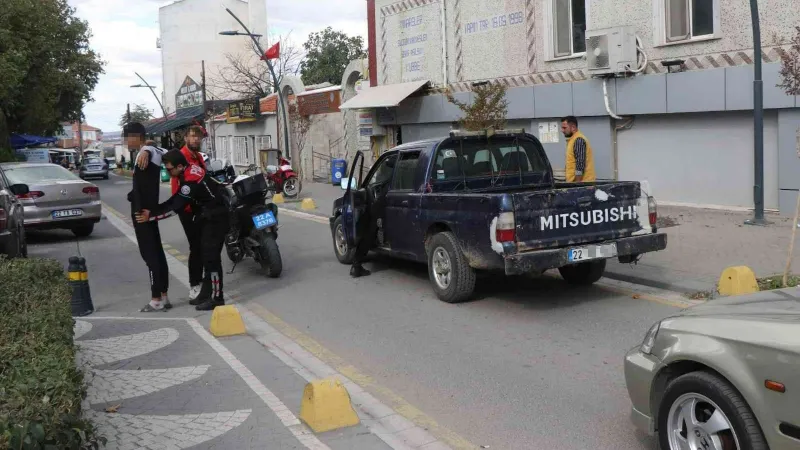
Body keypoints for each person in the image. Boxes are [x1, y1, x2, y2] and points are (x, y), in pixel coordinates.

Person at [134, 149, 230, 311]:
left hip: (216, 218)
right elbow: (177, 199)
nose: (168, 172)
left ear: (179, 166)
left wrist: (151, 215)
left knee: (212, 259)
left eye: (170, 169)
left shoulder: (190, 180)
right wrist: (146, 149)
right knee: (205, 256)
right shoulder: (187, 170)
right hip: (210, 215)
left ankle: (217, 298)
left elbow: (176, 206)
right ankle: (207, 293)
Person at [137, 125, 206, 301]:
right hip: (186, 208)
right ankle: (195, 284)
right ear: (186, 138)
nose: (196, 139)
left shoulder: (198, 157)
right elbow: (155, 147)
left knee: (205, 247)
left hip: (198, 207)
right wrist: (145, 149)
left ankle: (205, 282)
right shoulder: (180, 156)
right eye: (192, 136)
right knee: (197, 247)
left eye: (198, 137)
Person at [124, 122, 171, 312]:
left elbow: (143, 189)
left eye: (127, 137)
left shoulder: (144, 155)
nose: (126, 141)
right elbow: (161, 149)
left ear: (136, 137)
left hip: (142, 213)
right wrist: (149, 148)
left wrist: (147, 150)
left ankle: (156, 299)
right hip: (150, 211)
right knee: (158, 254)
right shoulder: (154, 151)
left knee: (150, 256)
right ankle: (164, 296)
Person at [350, 156, 396, 278]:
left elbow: (381, 199)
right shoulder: (396, 176)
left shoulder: (392, 176)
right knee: (368, 228)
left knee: (368, 230)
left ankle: (356, 264)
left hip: (383, 206)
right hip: (388, 207)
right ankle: (356, 265)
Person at [560, 116, 596, 183]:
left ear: (573, 127)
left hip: (583, 185)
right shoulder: (571, 140)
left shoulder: (578, 140)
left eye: (564, 128)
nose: (562, 130)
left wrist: (577, 184)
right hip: (576, 183)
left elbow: (580, 165)